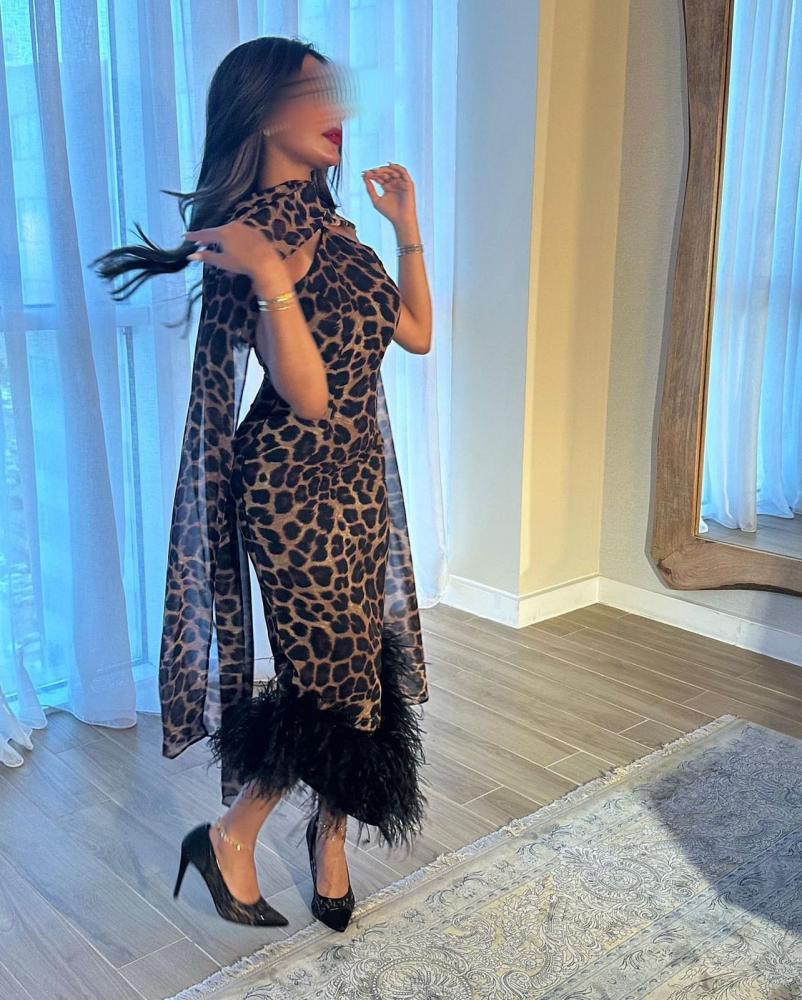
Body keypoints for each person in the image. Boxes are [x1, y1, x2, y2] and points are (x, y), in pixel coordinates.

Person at [92, 36, 432, 933]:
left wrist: (405, 226)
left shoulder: (337, 230)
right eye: (312, 92)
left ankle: (329, 836)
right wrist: (273, 274)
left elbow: (416, 332)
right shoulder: (249, 236)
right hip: (292, 487)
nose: (336, 109)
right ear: (261, 110)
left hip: (356, 480)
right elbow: (308, 396)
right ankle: (230, 835)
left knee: (359, 663)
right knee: (329, 679)